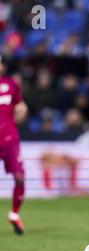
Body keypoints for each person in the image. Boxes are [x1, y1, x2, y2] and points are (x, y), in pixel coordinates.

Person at [0, 54, 28, 235]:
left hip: (9, 139)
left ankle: (14, 214)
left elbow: (20, 106)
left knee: (19, 177)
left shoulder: (11, 84)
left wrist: (20, 114)